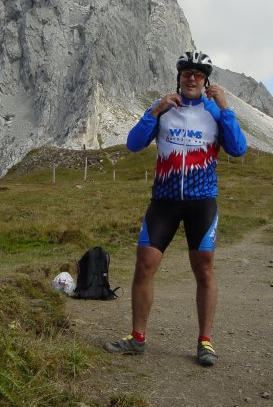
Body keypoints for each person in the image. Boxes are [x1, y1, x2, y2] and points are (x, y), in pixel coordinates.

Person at [104, 50, 247, 365]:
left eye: (198, 74)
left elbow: (238, 149)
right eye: (186, 73)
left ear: (206, 80)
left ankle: (205, 342)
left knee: (204, 271)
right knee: (144, 265)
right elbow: (133, 143)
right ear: (179, 78)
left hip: (201, 202)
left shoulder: (215, 112)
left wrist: (225, 108)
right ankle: (137, 338)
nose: (192, 78)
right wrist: (154, 111)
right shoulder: (165, 109)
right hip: (164, 202)